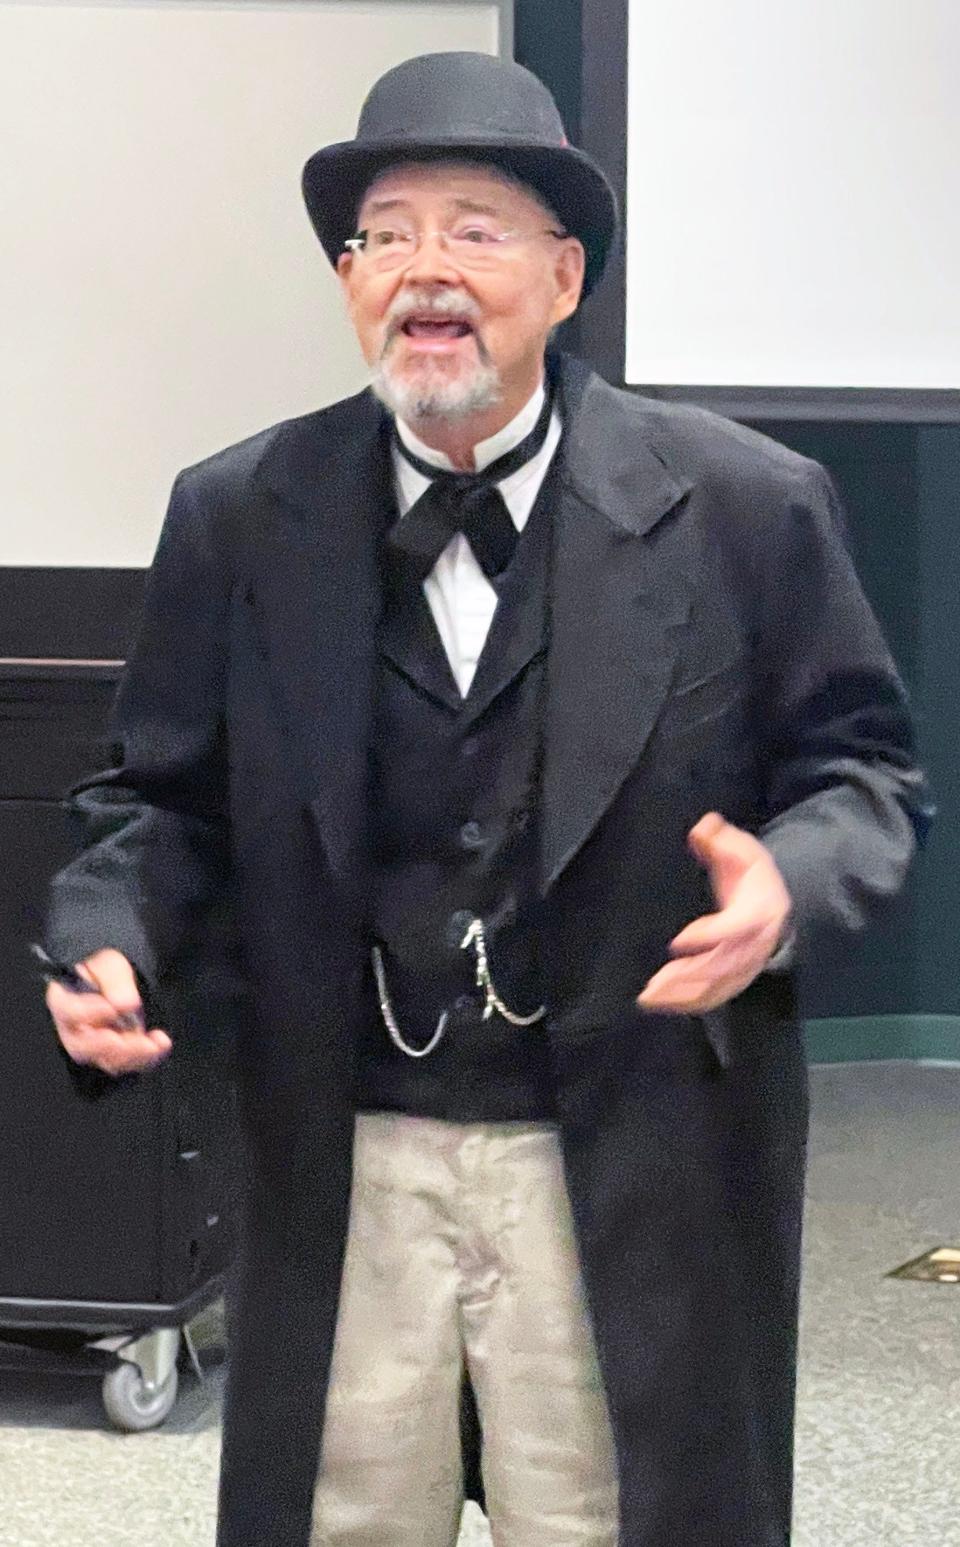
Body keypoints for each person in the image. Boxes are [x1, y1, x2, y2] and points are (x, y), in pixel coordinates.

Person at [43, 50, 927, 1547]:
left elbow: (864, 774)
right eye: (385, 233)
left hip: (625, 1152)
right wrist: (107, 925)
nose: (423, 270)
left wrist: (787, 881)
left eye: (474, 227)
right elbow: (162, 800)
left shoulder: (746, 507)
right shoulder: (240, 511)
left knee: (609, 1516)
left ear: (565, 277)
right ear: (350, 280)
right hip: (346, 1149)